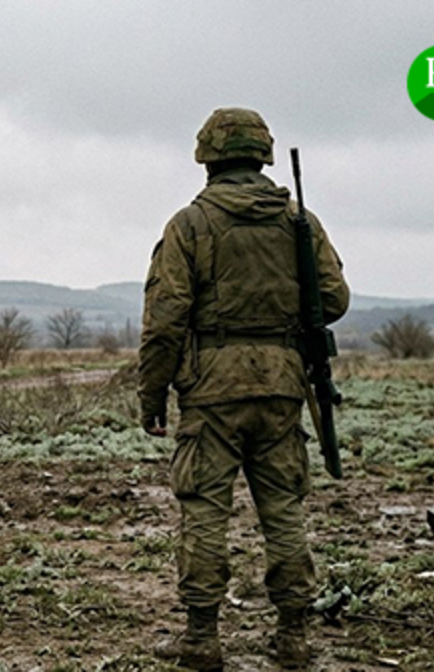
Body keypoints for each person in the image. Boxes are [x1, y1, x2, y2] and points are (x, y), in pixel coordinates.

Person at [139, 107, 349, 670]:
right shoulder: (298, 221)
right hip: (281, 386)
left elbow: (165, 320)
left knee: (205, 512)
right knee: (283, 510)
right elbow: (333, 300)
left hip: (210, 391)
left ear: (207, 156)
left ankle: (202, 639)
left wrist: (151, 395)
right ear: (262, 155)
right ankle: (294, 636)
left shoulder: (189, 225)